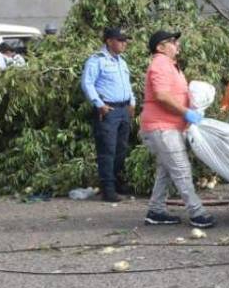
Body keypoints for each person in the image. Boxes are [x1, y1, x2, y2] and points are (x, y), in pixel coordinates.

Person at [140, 30, 215, 229]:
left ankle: (155, 211)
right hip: (162, 127)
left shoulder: (170, 65)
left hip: (168, 127)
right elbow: (162, 96)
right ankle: (197, 213)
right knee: (181, 170)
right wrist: (186, 112)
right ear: (160, 47)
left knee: (165, 170)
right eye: (172, 41)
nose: (177, 44)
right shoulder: (160, 64)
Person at [81, 27, 135, 203]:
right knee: (107, 150)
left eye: (125, 40)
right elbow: (87, 83)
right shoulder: (97, 60)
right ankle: (108, 190)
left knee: (121, 149)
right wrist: (99, 104)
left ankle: (117, 183)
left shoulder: (121, 61)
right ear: (109, 41)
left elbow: (127, 84)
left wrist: (132, 102)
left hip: (123, 109)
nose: (124, 44)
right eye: (120, 40)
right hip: (108, 110)